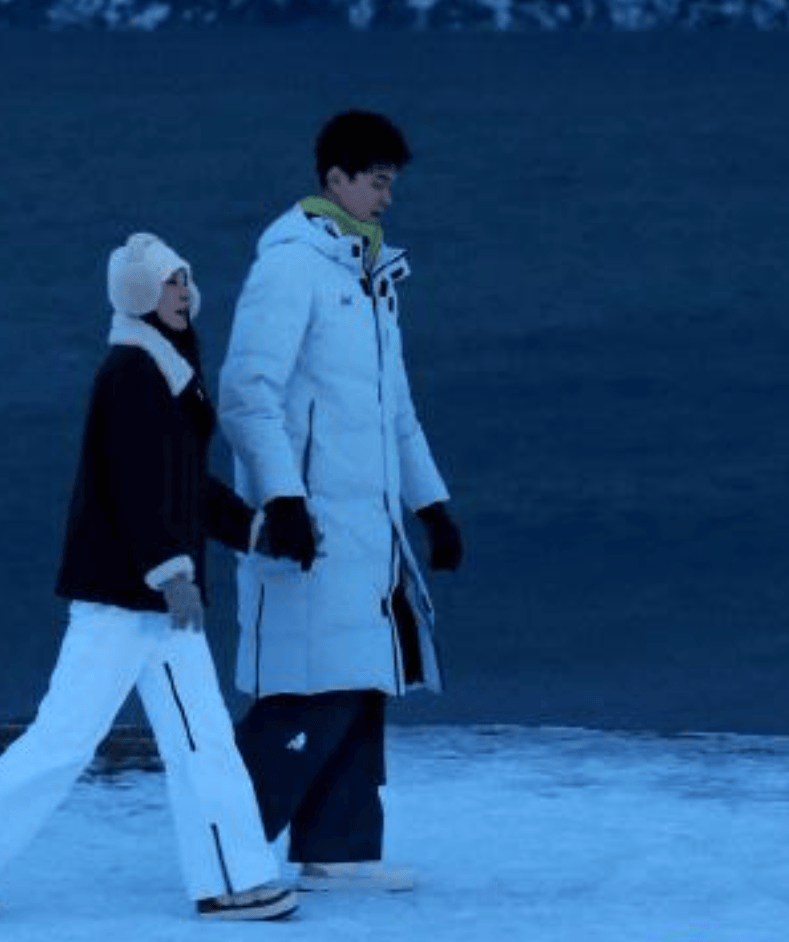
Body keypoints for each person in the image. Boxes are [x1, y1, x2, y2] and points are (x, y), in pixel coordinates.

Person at [0, 233, 298, 923]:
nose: (183, 293)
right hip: (124, 599)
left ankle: (232, 879)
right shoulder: (131, 373)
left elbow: (184, 483)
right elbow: (135, 486)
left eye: (185, 281)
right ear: (137, 294)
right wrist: (172, 573)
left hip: (161, 604)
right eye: (169, 283)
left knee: (202, 739)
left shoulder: (167, 371)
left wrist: (253, 530)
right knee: (66, 737)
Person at [218, 110, 464, 893]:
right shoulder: (291, 267)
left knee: (360, 683)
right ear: (336, 178)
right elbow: (246, 392)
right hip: (312, 529)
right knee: (305, 691)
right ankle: (223, 847)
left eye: (391, 181)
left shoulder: (369, 276)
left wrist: (431, 507)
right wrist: (283, 501)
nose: (388, 196)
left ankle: (338, 851)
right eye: (377, 180)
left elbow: (396, 412)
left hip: (368, 528)